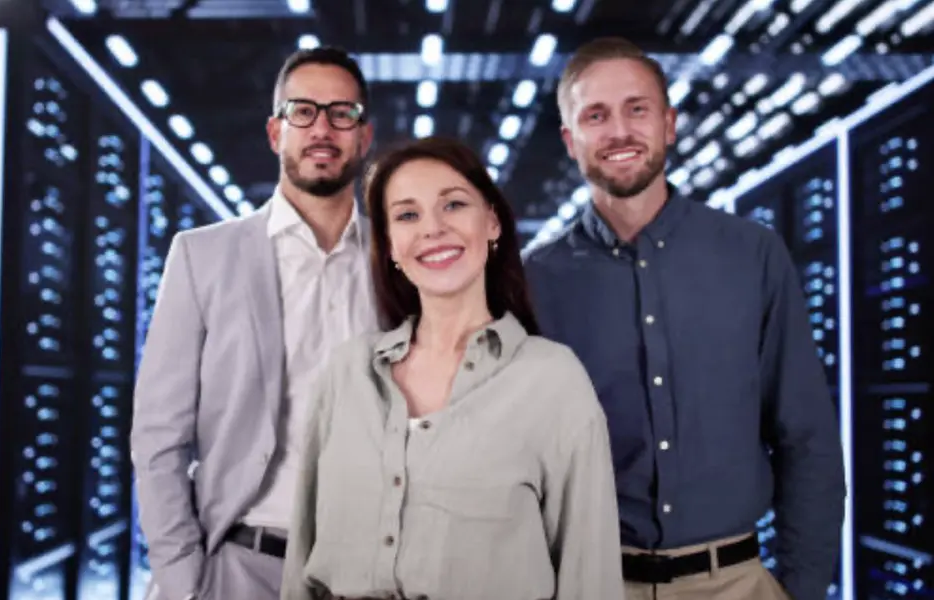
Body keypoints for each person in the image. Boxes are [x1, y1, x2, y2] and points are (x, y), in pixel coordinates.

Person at [523, 37, 845, 600]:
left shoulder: (752, 255)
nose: (619, 131)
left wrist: (803, 588)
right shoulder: (533, 281)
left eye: (637, 109)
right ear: (571, 142)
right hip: (593, 584)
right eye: (596, 116)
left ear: (669, 124)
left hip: (737, 584)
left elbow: (807, 437)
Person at [280, 136, 625, 600]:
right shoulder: (347, 372)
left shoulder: (553, 380)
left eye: (454, 205)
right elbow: (302, 558)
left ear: (492, 222)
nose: (432, 229)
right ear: (391, 248)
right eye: (407, 215)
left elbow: (590, 577)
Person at [131, 46, 377, 600]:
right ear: (275, 132)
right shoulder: (203, 256)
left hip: (366, 574)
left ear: (363, 136)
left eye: (343, 113)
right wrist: (183, 581)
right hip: (236, 568)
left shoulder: (397, 263)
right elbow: (158, 438)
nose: (323, 128)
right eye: (303, 111)